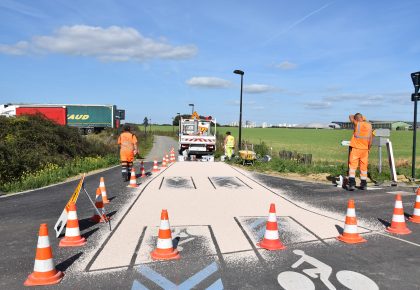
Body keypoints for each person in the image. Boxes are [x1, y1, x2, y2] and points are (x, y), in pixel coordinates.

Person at [348, 113, 372, 191]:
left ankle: (352, 184)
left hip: (356, 148)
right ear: (362, 117)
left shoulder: (357, 124)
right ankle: (364, 184)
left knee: (352, 166)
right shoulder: (369, 125)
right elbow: (371, 139)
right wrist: (368, 148)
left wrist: (356, 118)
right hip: (365, 149)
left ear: (356, 119)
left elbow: (350, 116)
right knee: (364, 167)